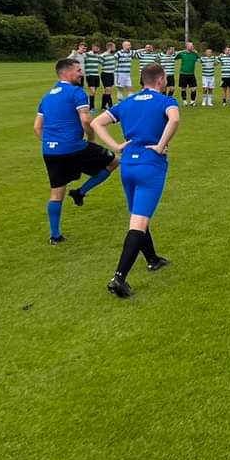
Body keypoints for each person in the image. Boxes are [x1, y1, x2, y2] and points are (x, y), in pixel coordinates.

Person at [92, 63, 179, 299]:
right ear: (161, 80)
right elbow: (174, 120)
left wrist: (116, 146)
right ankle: (119, 278)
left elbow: (95, 122)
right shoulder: (166, 101)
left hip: (128, 166)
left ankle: (152, 259)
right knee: (138, 223)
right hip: (150, 166)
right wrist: (161, 146)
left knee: (139, 215)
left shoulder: (128, 102)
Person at [34, 58, 120, 243]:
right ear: (66, 73)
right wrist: (91, 138)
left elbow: (37, 127)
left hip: (50, 150)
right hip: (74, 147)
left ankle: (55, 236)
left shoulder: (47, 97)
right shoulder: (76, 92)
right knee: (114, 161)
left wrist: (51, 142)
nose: (81, 73)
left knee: (56, 193)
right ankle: (80, 192)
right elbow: (86, 120)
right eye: (78, 70)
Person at [174, 41, 200, 106]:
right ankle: (184, 101)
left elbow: (200, 59)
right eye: (191, 46)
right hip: (183, 74)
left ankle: (192, 101)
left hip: (191, 74)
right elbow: (174, 57)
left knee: (194, 88)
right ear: (187, 47)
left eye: (192, 46)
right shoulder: (182, 53)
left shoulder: (194, 54)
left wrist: (197, 53)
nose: (192, 47)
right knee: (183, 88)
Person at [83, 42, 102, 111]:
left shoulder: (98, 56)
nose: (97, 49)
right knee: (92, 91)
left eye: (98, 48)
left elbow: (102, 62)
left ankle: (91, 106)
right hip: (90, 75)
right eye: (95, 47)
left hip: (96, 75)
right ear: (92, 47)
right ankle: (91, 107)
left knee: (94, 92)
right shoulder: (87, 54)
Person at [99, 41, 117, 110]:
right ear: (110, 47)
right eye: (114, 47)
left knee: (107, 91)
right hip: (105, 74)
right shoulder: (103, 55)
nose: (115, 48)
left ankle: (103, 106)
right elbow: (99, 62)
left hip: (112, 74)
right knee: (108, 90)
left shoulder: (113, 55)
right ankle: (111, 106)